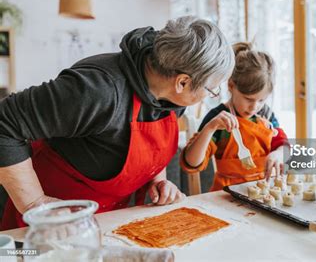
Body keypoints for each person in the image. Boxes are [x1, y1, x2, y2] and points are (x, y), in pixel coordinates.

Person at [0, 16, 235, 230]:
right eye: (211, 90)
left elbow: (152, 145)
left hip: (106, 221)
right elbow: (5, 122)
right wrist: (35, 203)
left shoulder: (173, 96)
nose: (209, 95)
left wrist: (158, 181)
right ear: (182, 82)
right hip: (48, 223)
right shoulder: (96, 90)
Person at [181, 42, 288, 191]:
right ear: (231, 86)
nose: (254, 107)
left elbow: (283, 145)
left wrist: (278, 154)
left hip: (264, 191)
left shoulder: (266, 114)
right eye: (248, 99)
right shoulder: (217, 118)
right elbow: (192, 163)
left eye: (261, 100)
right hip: (227, 195)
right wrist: (209, 128)